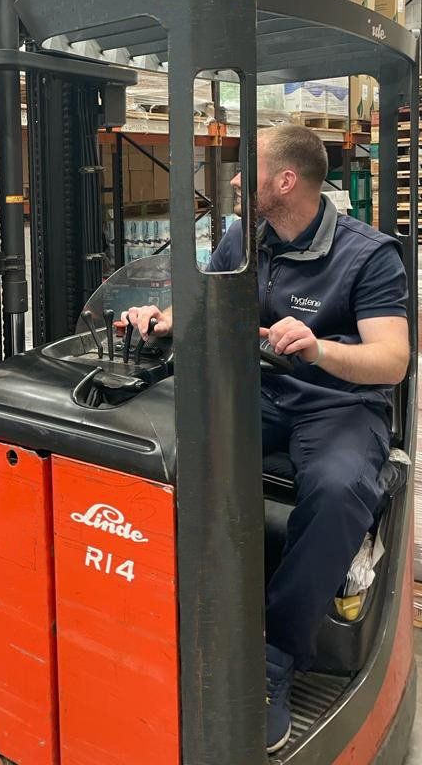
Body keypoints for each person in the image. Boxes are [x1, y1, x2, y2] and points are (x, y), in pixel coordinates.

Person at [124, 125, 409, 754]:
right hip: (264, 391)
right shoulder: (247, 236)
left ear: (285, 182)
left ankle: (276, 658)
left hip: (339, 404)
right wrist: (160, 320)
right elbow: (212, 304)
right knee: (162, 447)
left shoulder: (369, 255)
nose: (230, 180)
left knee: (339, 489)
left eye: (243, 170)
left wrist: (320, 347)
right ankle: (185, 606)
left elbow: (392, 361)